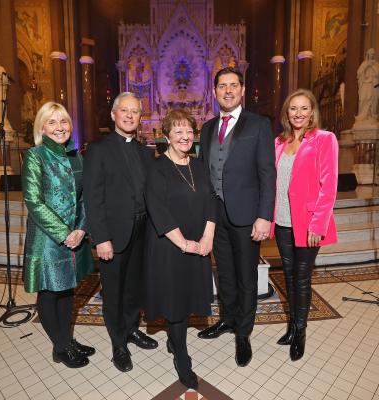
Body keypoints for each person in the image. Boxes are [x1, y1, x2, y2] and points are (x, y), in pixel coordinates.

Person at [197, 67, 276, 367]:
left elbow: (267, 173)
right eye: (221, 86)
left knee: (246, 276)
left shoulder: (258, 124)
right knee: (225, 273)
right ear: (214, 91)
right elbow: (205, 174)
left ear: (242, 90)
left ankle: (243, 333)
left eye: (233, 85)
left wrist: (264, 216)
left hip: (246, 214)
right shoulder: (206, 129)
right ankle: (227, 319)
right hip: (216, 215)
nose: (227, 90)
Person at [83, 92, 158, 373]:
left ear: (140, 117)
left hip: (141, 232)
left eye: (135, 112)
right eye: (124, 111)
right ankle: (118, 344)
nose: (129, 116)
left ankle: (131, 329)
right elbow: (92, 197)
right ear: (113, 114)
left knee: (134, 288)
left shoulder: (145, 152)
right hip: (113, 235)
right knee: (113, 292)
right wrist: (100, 238)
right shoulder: (98, 150)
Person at [144, 109, 216, 390]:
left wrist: (208, 236)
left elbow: (211, 199)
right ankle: (181, 356)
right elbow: (157, 210)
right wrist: (184, 243)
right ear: (166, 137)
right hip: (170, 245)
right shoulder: (157, 168)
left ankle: (175, 341)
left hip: (199, 243)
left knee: (188, 296)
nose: (185, 136)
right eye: (178, 132)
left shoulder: (198, 165)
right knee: (174, 302)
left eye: (188, 131)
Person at [22, 102, 95, 368]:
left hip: (76, 235)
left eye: (63, 121)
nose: (59, 127)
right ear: (41, 127)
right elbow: (34, 201)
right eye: (52, 122)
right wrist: (65, 233)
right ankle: (61, 347)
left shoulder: (77, 156)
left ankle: (67, 340)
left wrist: (82, 228)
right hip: (49, 239)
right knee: (50, 293)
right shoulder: (35, 155)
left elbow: (87, 197)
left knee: (67, 291)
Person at [272, 89, 338, 361]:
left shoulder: (324, 139)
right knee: (287, 276)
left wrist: (318, 224)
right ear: (286, 113)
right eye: (293, 108)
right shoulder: (279, 142)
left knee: (302, 277)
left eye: (303, 108)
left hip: (309, 223)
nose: (298, 113)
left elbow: (329, 186)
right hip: (283, 221)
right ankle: (291, 326)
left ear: (312, 111)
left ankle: (300, 332)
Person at [356, 48, 379, 122]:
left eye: (373, 54)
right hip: (365, 85)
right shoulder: (364, 64)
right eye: (370, 53)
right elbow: (359, 73)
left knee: (373, 100)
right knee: (363, 99)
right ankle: (362, 116)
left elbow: (378, 74)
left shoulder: (376, 64)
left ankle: (372, 116)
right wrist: (367, 66)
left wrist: (372, 66)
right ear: (367, 54)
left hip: (373, 85)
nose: (372, 55)